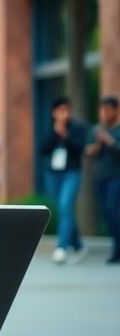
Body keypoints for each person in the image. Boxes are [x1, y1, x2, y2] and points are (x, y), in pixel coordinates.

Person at [39, 97, 88, 264]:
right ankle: (79, 246)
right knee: (62, 209)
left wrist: (65, 135)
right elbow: (43, 149)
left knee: (66, 205)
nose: (63, 114)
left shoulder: (77, 128)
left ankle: (61, 247)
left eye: (66, 109)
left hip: (71, 173)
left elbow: (80, 148)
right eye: (59, 110)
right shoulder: (49, 129)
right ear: (53, 113)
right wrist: (55, 133)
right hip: (53, 174)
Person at [85, 95, 120, 264]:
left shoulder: (118, 130)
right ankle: (116, 246)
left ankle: (117, 249)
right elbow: (88, 151)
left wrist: (108, 140)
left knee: (113, 210)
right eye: (102, 110)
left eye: (108, 110)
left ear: (116, 110)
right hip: (100, 177)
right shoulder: (95, 130)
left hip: (116, 177)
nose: (104, 113)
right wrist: (98, 143)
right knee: (107, 213)